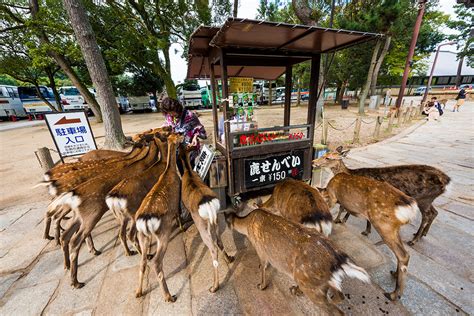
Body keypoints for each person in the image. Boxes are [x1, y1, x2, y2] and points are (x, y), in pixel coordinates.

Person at [160, 97, 207, 163]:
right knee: (181, 171)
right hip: (177, 151)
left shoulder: (190, 116)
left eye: (172, 112)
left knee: (191, 170)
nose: (171, 114)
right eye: (168, 113)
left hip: (189, 151)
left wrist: (195, 137)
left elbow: (202, 132)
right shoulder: (169, 116)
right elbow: (167, 126)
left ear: (177, 108)